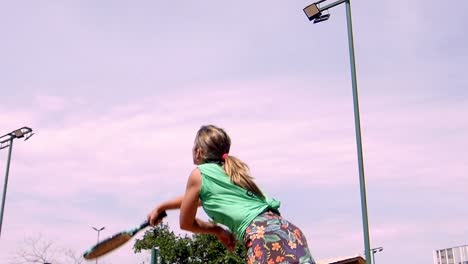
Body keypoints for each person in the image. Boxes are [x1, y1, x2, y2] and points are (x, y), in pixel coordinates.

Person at [148, 125, 315, 264]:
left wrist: (217, 230)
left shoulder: (199, 175)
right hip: (289, 231)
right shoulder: (232, 171)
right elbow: (196, 200)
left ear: (198, 151)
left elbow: (186, 223)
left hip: (263, 236)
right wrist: (162, 207)